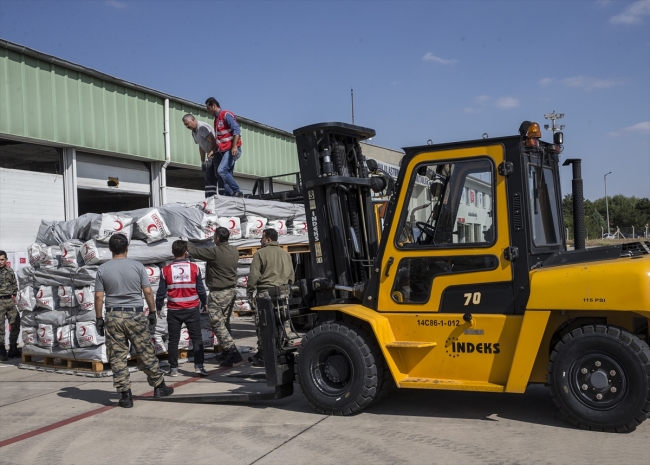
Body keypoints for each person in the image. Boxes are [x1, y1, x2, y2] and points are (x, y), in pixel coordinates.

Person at [94, 234, 173, 408]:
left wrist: (99, 318)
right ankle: (159, 386)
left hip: (113, 316)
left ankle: (125, 395)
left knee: (117, 356)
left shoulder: (103, 269)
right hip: (135, 315)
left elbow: (99, 296)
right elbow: (148, 292)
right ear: (127, 248)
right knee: (145, 351)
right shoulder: (138, 266)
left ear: (110, 248)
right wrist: (152, 312)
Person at [186, 227, 243, 367]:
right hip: (231, 291)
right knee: (225, 322)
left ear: (217, 238)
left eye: (214, 236)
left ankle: (232, 350)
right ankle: (226, 351)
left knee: (216, 322)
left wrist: (185, 241)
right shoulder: (234, 250)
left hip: (219, 293)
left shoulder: (215, 252)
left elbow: (196, 252)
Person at [156, 240, 209, 377]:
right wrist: (205, 302)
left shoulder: (165, 270)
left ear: (173, 252)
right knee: (196, 339)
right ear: (186, 252)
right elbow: (201, 289)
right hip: (192, 309)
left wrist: (158, 307)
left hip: (174, 310)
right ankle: (199, 367)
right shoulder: (194, 268)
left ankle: (173, 369)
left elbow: (161, 292)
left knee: (173, 340)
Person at [246, 228, 295, 367]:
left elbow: (254, 275)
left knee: (263, 323)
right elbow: (291, 276)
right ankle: (285, 348)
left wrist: (250, 291)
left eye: (262, 238)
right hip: (282, 292)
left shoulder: (260, 253)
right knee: (283, 319)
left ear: (268, 239)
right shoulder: (286, 254)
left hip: (265, 293)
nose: (260, 240)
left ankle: (263, 354)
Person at [205, 97, 243, 197]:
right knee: (226, 174)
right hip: (225, 151)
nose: (207, 111)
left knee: (221, 170)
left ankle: (237, 190)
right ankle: (229, 196)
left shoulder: (225, 114)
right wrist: (213, 151)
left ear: (214, 106)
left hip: (232, 150)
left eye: (208, 108)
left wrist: (234, 146)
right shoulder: (216, 120)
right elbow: (219, 140)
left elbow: (237, 130)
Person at [182, 114, 223, 198]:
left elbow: (213, 140)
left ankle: (224, 195)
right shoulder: (194, 132)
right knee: (209, 176)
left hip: (217, 153)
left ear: (193, 120)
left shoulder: (201, 128)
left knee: (219, 174)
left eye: (187, 124)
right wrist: (203, 161)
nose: (186, 126)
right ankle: (210, 197)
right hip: (210, 155)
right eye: (185, 125)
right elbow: (201, 146)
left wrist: (211, 154)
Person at [0, 250, 20, 361]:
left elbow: (14, 285)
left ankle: (13, 348)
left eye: (2, 259)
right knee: (0, 328)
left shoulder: (10, 271)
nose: (0, 262)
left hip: (9, 301)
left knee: (15, 323)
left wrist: (15, 296)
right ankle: (1, 350)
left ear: (6, 260)